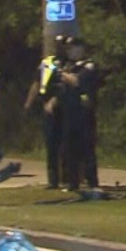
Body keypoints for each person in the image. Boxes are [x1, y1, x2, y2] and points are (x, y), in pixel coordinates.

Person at [24, 36, 68, 189]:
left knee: (66, 144)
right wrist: (29, 103)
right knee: (51, 144)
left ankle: (68, 178)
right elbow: (37, 84)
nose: (59, 48)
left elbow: (66, 87)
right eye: (58, 45)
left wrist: (54, 101)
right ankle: (53, 180)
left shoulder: (70, 64)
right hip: (48, 109)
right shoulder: (46, 63)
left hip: (65, 107)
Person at [57, 36, 100, 191]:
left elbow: (76, 81)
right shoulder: (70, 66)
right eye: (68, 49)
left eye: (72, 48)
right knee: (69, 149)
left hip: (84, 113)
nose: (70, 52)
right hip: (69, 112)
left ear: (80, 48)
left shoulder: (89, 66)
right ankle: (73, 182)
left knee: (87, 148)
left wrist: (60, 73)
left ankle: (92, 182)